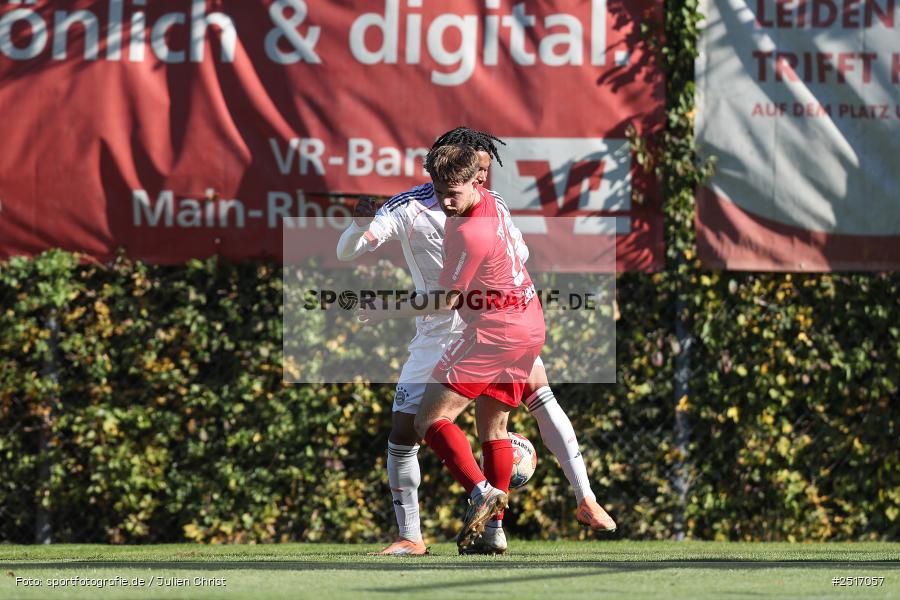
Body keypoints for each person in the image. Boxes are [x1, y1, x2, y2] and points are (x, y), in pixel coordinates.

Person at [336, 128, 615, 555]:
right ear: (443, 169)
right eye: (477, 165)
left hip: (482, 323)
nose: (484, 174)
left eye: (484, 168)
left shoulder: (475, 219)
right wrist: (359, 226)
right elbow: (347, 254)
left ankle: (541, 500)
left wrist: (383, 307)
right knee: (411, 430)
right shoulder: (411, 207)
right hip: (472, 325)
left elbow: (478, 276)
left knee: (486, 411)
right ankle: (415, 535)